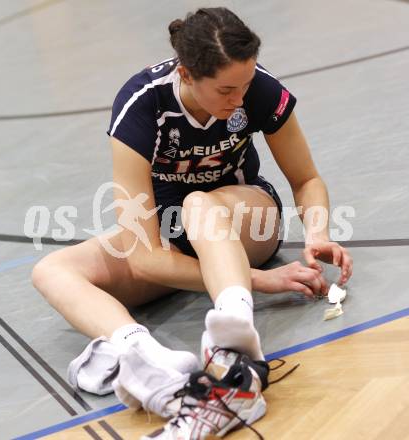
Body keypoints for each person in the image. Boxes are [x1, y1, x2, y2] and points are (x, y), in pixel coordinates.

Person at [31, 7, 353, 439]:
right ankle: (154, 367)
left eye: (246, 84)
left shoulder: (258, 89)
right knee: (51, 270)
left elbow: (306, 178)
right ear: (186, 73)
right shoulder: (141, 106)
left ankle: (236, 352)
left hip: (245, 218)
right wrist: (261, 280)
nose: (239, 99)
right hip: (173, 237)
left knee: (199, 204)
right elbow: (145, 257)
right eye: (225, 90)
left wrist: (317, 233)